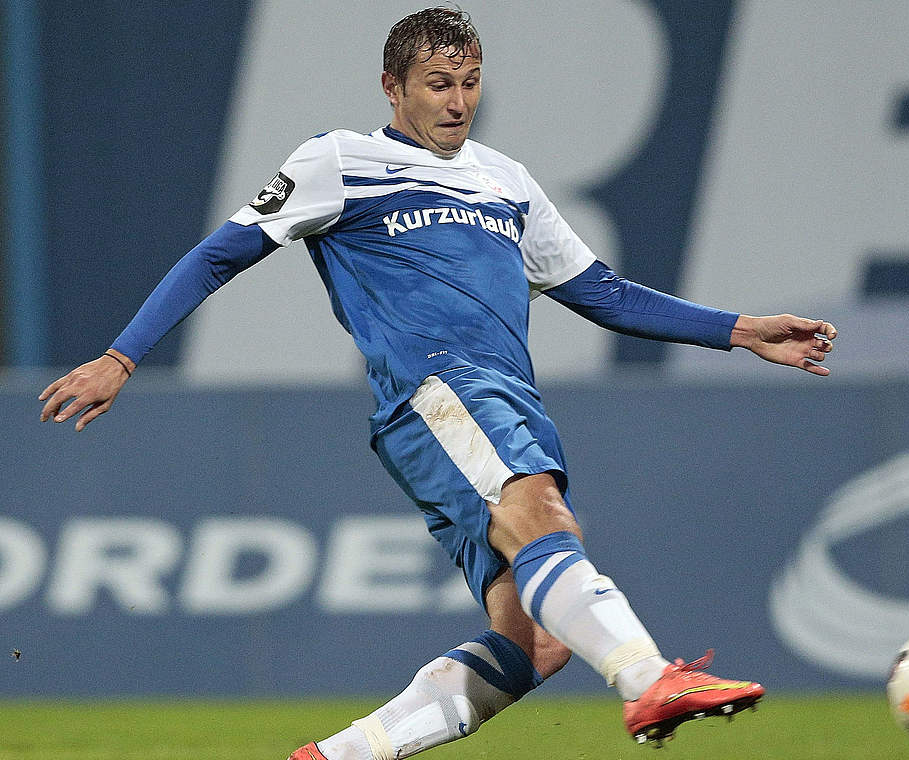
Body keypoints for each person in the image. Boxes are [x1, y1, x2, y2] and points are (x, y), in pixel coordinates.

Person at [37, 9, 837, 759]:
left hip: (509, 400)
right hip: (438, 392)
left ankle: (334, 755)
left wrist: (738, 330)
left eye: (471, 81)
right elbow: (221, 252)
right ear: (393, 87)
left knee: (539, 639)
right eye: (438, 85)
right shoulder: (339, 160)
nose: (458, 103)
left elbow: (604, 293)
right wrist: (123, 355)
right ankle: (647, 678)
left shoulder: (506, 180)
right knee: (540, 513)